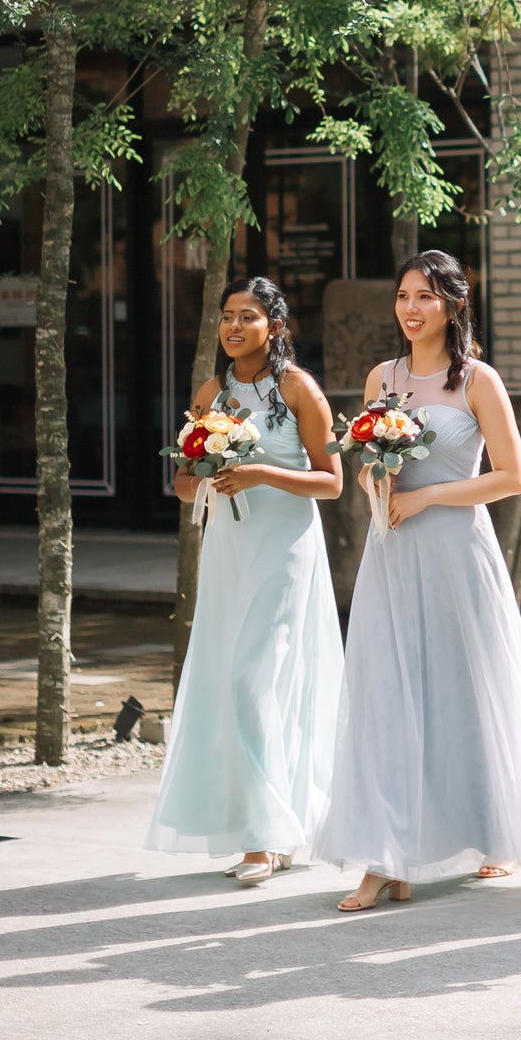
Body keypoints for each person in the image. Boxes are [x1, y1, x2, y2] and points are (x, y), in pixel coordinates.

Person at [315, 249, 521, 911]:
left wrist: (431, 498)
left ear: (453, 305)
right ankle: (388, 855)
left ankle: (485, 831)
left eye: (426, 297)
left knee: (462, 690)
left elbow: (512, 476)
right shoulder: (381, 376)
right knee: (387, 692)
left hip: (453, 550)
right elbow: (368, 464)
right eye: (404, 296)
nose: (411, 309)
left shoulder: (477, 381)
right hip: (392, 550)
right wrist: (370, 478)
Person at [147, 275, 344, 884]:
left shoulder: (298, 389)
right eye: (229, 316)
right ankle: (267, 827)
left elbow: (331, 481)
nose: (235, 326)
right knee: (236, 678)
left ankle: (267, 836)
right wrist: (206, 463)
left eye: (249, 316)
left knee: (250, 677)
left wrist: (260, 472)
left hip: (285, 546)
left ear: (275, 326)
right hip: (229, 548)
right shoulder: (211, 391)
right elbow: (183, 488)